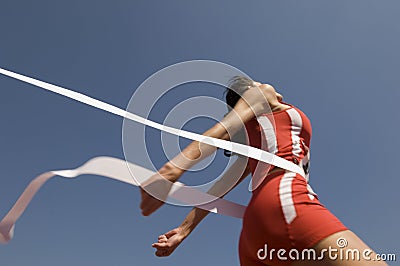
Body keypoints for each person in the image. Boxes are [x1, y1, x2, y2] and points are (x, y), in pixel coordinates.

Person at [140, 76, 387, 265]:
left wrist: (183, 230)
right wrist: (172, 169)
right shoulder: (262, 92)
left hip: (253, 234)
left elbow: (218, 190)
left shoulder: (254, 146)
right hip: (286, 202)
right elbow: (225, 128)